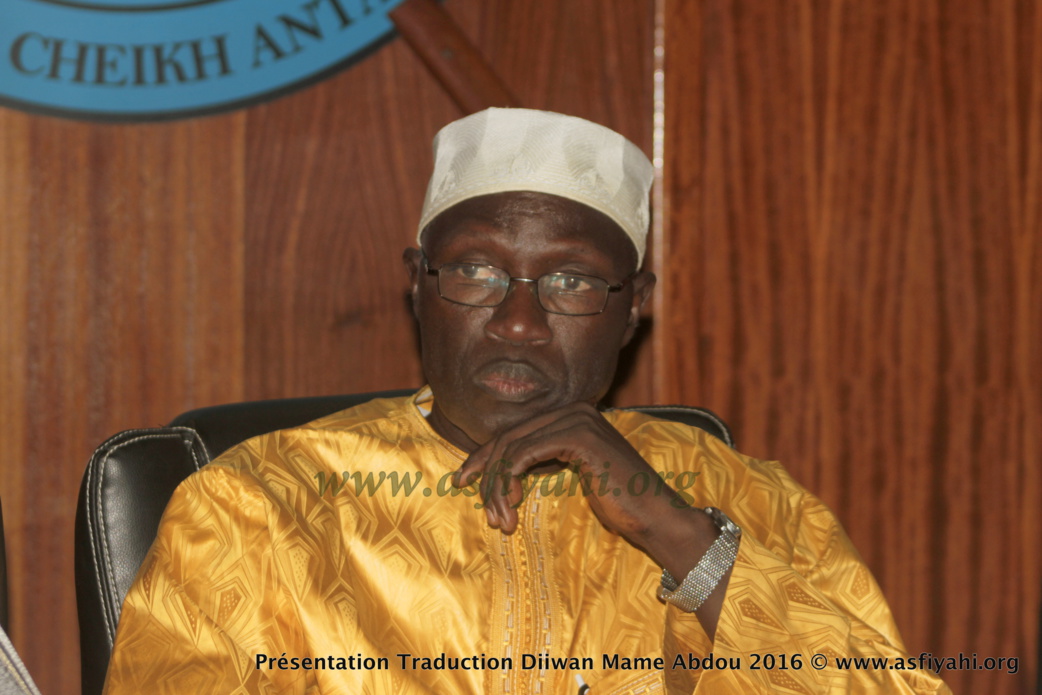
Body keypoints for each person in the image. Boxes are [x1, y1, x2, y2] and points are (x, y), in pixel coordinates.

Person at [103, 108, 950, 694]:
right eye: (475, 269)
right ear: (418, 285)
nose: (517, 321)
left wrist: (683, 538)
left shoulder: (748, 499)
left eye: (572, 280)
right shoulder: (257, 504)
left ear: (632, 307)